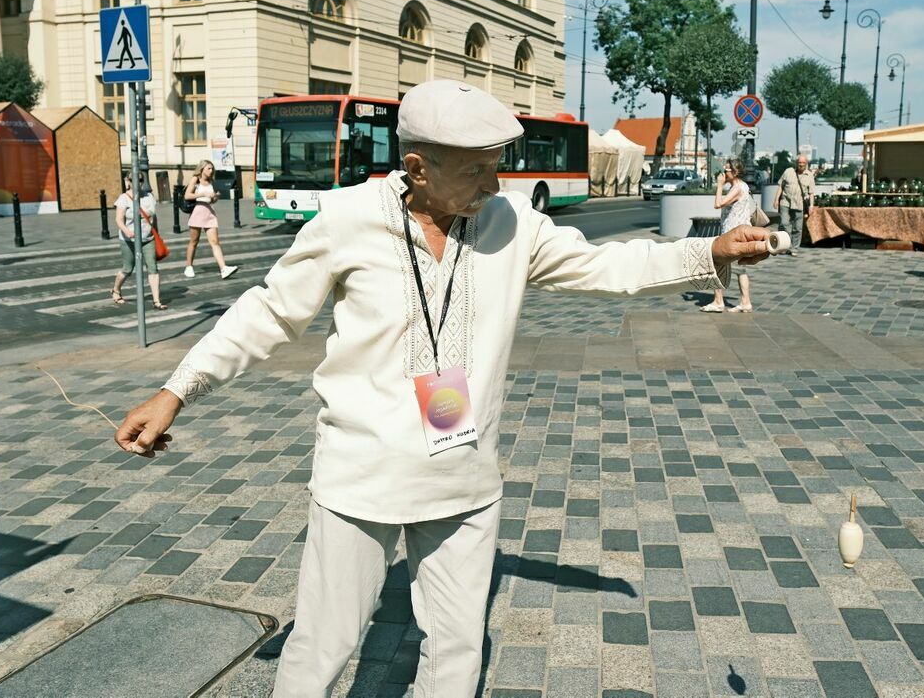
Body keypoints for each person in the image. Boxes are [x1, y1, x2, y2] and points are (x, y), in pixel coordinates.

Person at [112, 80, 770, 698]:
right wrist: (177, 389)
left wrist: (706, 254)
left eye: (498, 163)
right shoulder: (347, 219)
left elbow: (606, 265)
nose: (495, 181)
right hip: (360, 477)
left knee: (457, 649)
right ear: (418, 166)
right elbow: (268, 311)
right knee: (324, 645)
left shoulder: (511, 224)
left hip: (463, 477)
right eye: (478, 167)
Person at [702, 158, 757, 314]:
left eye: (726, 170)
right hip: (742, 232)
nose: (723, 173)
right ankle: (746, 302)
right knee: (741, 269)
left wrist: (719, 185)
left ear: (735, 172)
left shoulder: (737, 188)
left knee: (717, 263)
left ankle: (718, 302)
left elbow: (718, 204)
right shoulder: (743, 186)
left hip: (732, 233)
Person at [111, 171, 167, 309]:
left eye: (141, 180)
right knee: (128, 269)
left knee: (153, 268)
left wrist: (157, 233)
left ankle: (156, 300)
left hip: (148, 238)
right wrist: (127, 232)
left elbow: (154, 218)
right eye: (134, 180)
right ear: (128, 181)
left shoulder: (149, 197)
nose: (138, 183)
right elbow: (118, 219)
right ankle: (116, 290)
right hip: (129, 240)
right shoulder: (123, 198)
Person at [183, 160, 239, 280]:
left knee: (215, 242)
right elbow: (187, 195)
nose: (211, 171)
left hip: (209, 212)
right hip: (197, 211)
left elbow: (211, 200)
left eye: (212, 169)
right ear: (202, 169)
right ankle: (188, 267)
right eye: (208, 168)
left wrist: (215, 197)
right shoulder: (195, 179)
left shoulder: (212, 182)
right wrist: (202, 194)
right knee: (194, 241)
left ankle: (223, 268)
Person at [773, 154, 814, 257]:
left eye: (803, 163)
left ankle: (794, 248)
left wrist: (811, 206)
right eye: (799, 162)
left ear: (806, 164)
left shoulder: (809, 176)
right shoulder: (788, 171)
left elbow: (811, 193)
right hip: (785, 202)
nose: (801, 164)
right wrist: (776, 199)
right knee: (784, 223)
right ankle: (784, 246)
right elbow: (780, 186)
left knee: (798, 227)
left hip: (799, 204)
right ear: (796, 163)